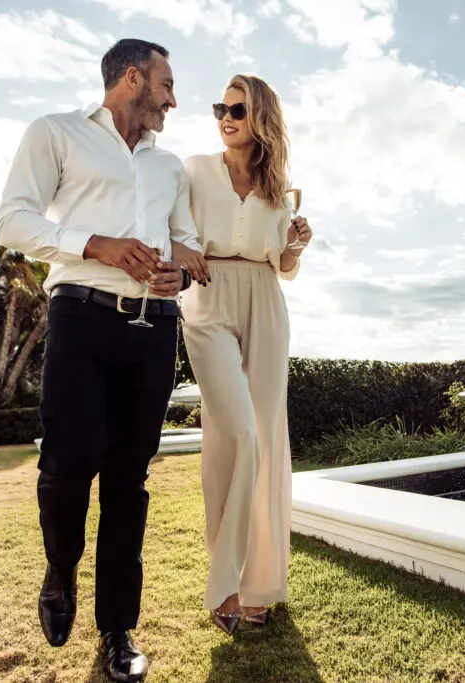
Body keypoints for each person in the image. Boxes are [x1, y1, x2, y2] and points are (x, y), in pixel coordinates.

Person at [0, 38, 201, 683]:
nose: (173, 99)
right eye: (166, 85)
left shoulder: (170, 168)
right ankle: (60, 569)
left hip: (153, 329)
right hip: (81, 318)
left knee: (128, 479)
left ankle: (118, 630)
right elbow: (13, 221)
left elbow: (188, 241)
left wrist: (181, 273)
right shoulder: (56, 133)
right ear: (132, 78)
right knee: (67, 462)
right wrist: (94, 244)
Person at [170, 74, 314, 635]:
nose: (224, 117)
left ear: (261, 119)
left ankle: (256, 587)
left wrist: (296, 245)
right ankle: (224, 583)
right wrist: (180, 249)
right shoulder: (192, 171)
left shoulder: (280, 189)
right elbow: (170, 230)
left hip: (265, 300)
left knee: (266, 439)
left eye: (236, 108)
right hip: (206, 299)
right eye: (220, 107)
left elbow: (283, 265)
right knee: (235, 435)